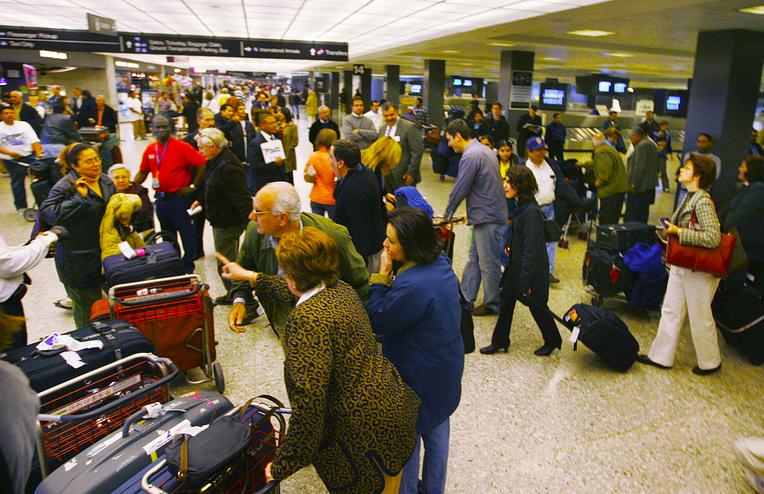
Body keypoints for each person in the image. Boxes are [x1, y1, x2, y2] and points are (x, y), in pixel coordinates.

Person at [218, 227, 419, 493]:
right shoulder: (341, 289)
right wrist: (252, 277)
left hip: (361, 439)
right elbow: (294, 291)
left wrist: (282, 465)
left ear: (293, 278)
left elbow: (309, 407)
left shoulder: (307, 322)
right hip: (392, 413)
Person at [367, 207, 463, 494]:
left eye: (391, 241)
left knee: (407, 444)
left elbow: (380, 318)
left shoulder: (411, 285)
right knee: (437, 434)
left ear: (409, 244)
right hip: (445, 370)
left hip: (414, 379)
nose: (385, 244)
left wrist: (381, 276)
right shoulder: (441, 264)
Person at [227, 182, 369, 336]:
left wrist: (352, 327)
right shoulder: (255, 231)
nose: (251, 216)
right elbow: (244, 270)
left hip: (326, 322)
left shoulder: (332, 236)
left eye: (258, 212)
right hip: (281, 316)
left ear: (282, 218)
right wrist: (239, 301)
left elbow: (359, 284)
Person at [638, 154, 722, 375]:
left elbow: (713, 237)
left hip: (697, 268)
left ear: (697, 175)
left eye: (687, 167)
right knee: (671, 309)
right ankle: (661, 356)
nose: (681, 170)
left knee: (699, 314)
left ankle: (710, 362)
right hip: (682, 264)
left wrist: (679, 232)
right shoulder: (690, 196)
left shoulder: (702, 201)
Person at [481, 165, 562, 356]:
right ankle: (500, 341)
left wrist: (525, 282)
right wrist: (510, 243)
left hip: (531, 271)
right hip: (516, 267)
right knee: (506, 301)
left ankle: (553, 340)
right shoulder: (522, 206)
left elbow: (532, 251)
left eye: (510, 182)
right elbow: (518, 232)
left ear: (521, 186)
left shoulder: (531, 212)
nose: (505, 185)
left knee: (537, 306)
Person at [40, 143, 116, 328]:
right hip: (77, 259)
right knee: (86, 308)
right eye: (89, 161)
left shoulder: (105, 181)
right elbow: (49, 213)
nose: (95, 164)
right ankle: (86, 343)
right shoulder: (66, 185)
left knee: (112, 302)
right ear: (75, 165)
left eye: (96, 159)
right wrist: (78, 199)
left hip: (105, 253)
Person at [443, 119, 506, 316]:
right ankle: (466, 298)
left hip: (488, 218)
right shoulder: (484, 150)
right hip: (485, 214)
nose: (449, 144)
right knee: (474, 259)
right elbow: (484, 186)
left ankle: (492, 303)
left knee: (488, 263)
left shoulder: (471, 155)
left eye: (449, 139)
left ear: (458, 136)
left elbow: (461, 187)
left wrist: (447, 214)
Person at [133, 115, 207, 274]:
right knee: (168, 236)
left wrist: (192, 186)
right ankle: (174, 266)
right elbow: (143, 171)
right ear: (152, 129)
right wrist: (130, 187)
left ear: (170, 128)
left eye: (164, 127)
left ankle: (188, 268)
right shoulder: (150, 149)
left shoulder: (182, 147)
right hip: (161, 200)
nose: (161, 130)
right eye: (158, 127)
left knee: (187, 233)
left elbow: (201, 164)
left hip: (179, 200)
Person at [192, 128, 252, 304]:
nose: (199, 151)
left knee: (226, 263)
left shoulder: (228, 165)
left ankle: (242, 301)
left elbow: (240, 195)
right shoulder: (215, 161)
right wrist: (201, 200)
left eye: (201, 147)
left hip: (227, 222)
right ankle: (234, 294)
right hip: (221, 218)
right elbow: (212, 186)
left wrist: (250, 219)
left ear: (213, 146)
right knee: (229, 260)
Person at [1, 227, 64, 349]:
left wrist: (30, 248)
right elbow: (8, 264)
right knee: (14, 356)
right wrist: (45, 241)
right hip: (4, 308)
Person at [330, 139, 387, 272]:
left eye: (331, 157)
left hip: (366, 255)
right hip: (375, 242)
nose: (329, 160)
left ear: (340, 163)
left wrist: (358, 264)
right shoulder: (365, 172)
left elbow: (361, 229)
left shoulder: (354, 190)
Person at [719, 155, 764, 290]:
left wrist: (723, 223)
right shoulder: (747, 187)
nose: (740, 168)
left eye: (743, 166)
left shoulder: (758, 190)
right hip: (743, 244)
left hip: (749, 248)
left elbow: (738, 215)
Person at [524, 136, 561, 283]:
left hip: (550, 208)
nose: (541, 153)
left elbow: (559, 185)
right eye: (537, 150)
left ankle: (548, 271)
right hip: (533, 211)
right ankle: (531, 272)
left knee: (550, 240)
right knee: (532, 241)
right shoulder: (525, 168)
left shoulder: (550, 164)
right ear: (529, 152)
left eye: (543, 149)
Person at [183, 108, 216, 258]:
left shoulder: (219, 138)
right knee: (196, 220)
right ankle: (197, 249)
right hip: (197, 185)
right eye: (207, 120)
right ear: (198, 121)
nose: (211, 123)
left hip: (215, 184)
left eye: (212, 120)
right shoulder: (188, 140)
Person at [578, 130, 629, 225]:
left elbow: (606, 170)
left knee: (606, 220)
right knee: (613, 219)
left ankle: (605, 239)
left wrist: (599, 181)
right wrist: (583, 164)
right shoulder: (608, 148)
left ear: (594, 144)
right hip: (618, 189)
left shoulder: (600, 152)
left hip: (611, 191)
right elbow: (598, 164)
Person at [0, 105, 44, 212]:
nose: (9, 115)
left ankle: (42, 204)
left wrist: (39, 153)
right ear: (1, 116)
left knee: (38, 182)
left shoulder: (24, 125)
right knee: (17, 183)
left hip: (28, 157)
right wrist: (10, 153)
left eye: (11, 113)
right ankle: (21, 207)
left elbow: (34, 140)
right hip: (11, 160)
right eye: (6, 113)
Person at [379, 102, 424, 187]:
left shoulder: (409, 127)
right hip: (387, 176)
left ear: (397, 112)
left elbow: (417, 151)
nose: (389, 118)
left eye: (392, 114)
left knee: (403, 199)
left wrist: (411, 173)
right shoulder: (382, 129)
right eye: (386, 116)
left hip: (404, 176)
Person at [624, 127, 659, 223]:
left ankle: (629, 231)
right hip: (648, 186)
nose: (631, 140)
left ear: (637, 136)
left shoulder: (641, 146)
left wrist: (633, 184)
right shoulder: (652, 144)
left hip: (639, 186)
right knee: (643, 212)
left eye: (632, 137)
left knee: (632, 212)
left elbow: (639, 167)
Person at [107, 164, 154, 235]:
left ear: (129, 178)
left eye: (124, 177)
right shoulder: (107, 192)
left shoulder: (139, 190)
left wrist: (127, 220)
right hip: (116, 229)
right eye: (116, 177)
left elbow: (145, 211)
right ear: (110, 179)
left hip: (140, 226)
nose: (121, 180)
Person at [247, 112, 287, 194]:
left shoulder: (276, 139)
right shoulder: (255, 143)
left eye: (275, 122)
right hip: (265, 185)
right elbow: (255, 166)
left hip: (279, 182)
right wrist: (274, 164)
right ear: (262, 125)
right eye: (271, 123)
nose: (275, 125)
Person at [304, 128, 337, 217]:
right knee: (335, 227)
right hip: (332, 199)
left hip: (316, 197)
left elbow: (307, 177)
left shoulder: (313, 156)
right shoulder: (334, 158)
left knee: (317, 227)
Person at [279, 107, 299, 184]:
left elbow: (295, 141)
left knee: (288, 175)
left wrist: (289, 150)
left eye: (280, 112)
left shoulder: (292, 126)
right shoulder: (276, 124)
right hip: (278, 153)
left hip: (288, 154)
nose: (279, 114)